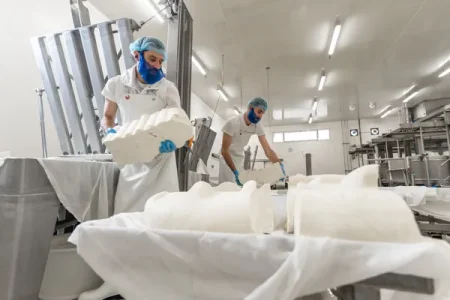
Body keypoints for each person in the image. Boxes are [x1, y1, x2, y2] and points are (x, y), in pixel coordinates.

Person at [102, 36, 182, 214]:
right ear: (137, 55)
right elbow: (108, 116)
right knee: (127, 211)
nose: (156, 65)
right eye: (152, 59)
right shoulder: (117, 84)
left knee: (162, 212)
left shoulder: (167, 88)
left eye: (160, 61)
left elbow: (175, 120)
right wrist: (111, 132)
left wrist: (172, 140)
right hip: (131, 153)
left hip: (160, 157)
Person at [219, 97, 286, 185]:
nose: (260, 116)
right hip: (226, 158)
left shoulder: (257, 126)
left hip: (239, 157)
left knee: (241, 186)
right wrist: (235, 171)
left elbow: (268, 151)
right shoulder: (232, 123)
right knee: (228, 187)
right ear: (250, 108)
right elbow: (224, 150)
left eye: (262, 113)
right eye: (259, 112)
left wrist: (279, 166)